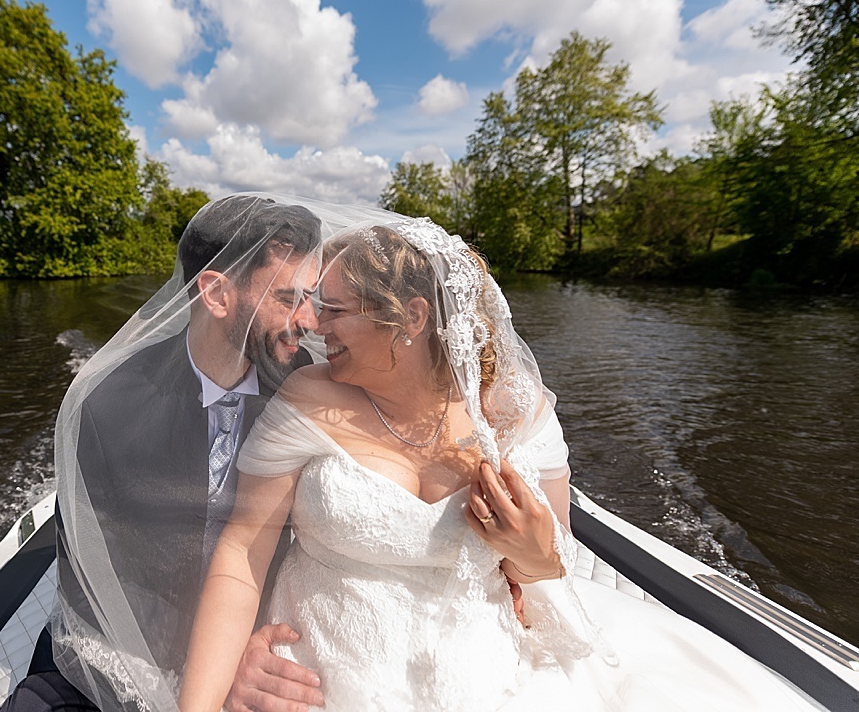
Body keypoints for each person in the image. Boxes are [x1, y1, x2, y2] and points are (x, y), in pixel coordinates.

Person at [177, 216, 823, 711]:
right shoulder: (307, 397)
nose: (314, 325)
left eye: (335, 309)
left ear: (410, 318)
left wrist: (534, 554)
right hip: (323, 667)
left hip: (486, 667)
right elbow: (241, 553)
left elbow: (549, 572)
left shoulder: (517, 415)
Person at [0, 195, 328, 712]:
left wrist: (247, 646)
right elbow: (94, 575)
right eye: (289, 298)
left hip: (254, 639)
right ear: (217, 294)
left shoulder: (309, 388)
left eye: (312, 296)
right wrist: (209, 671)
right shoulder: (106, 404)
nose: (310, 320)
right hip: (117, 648)